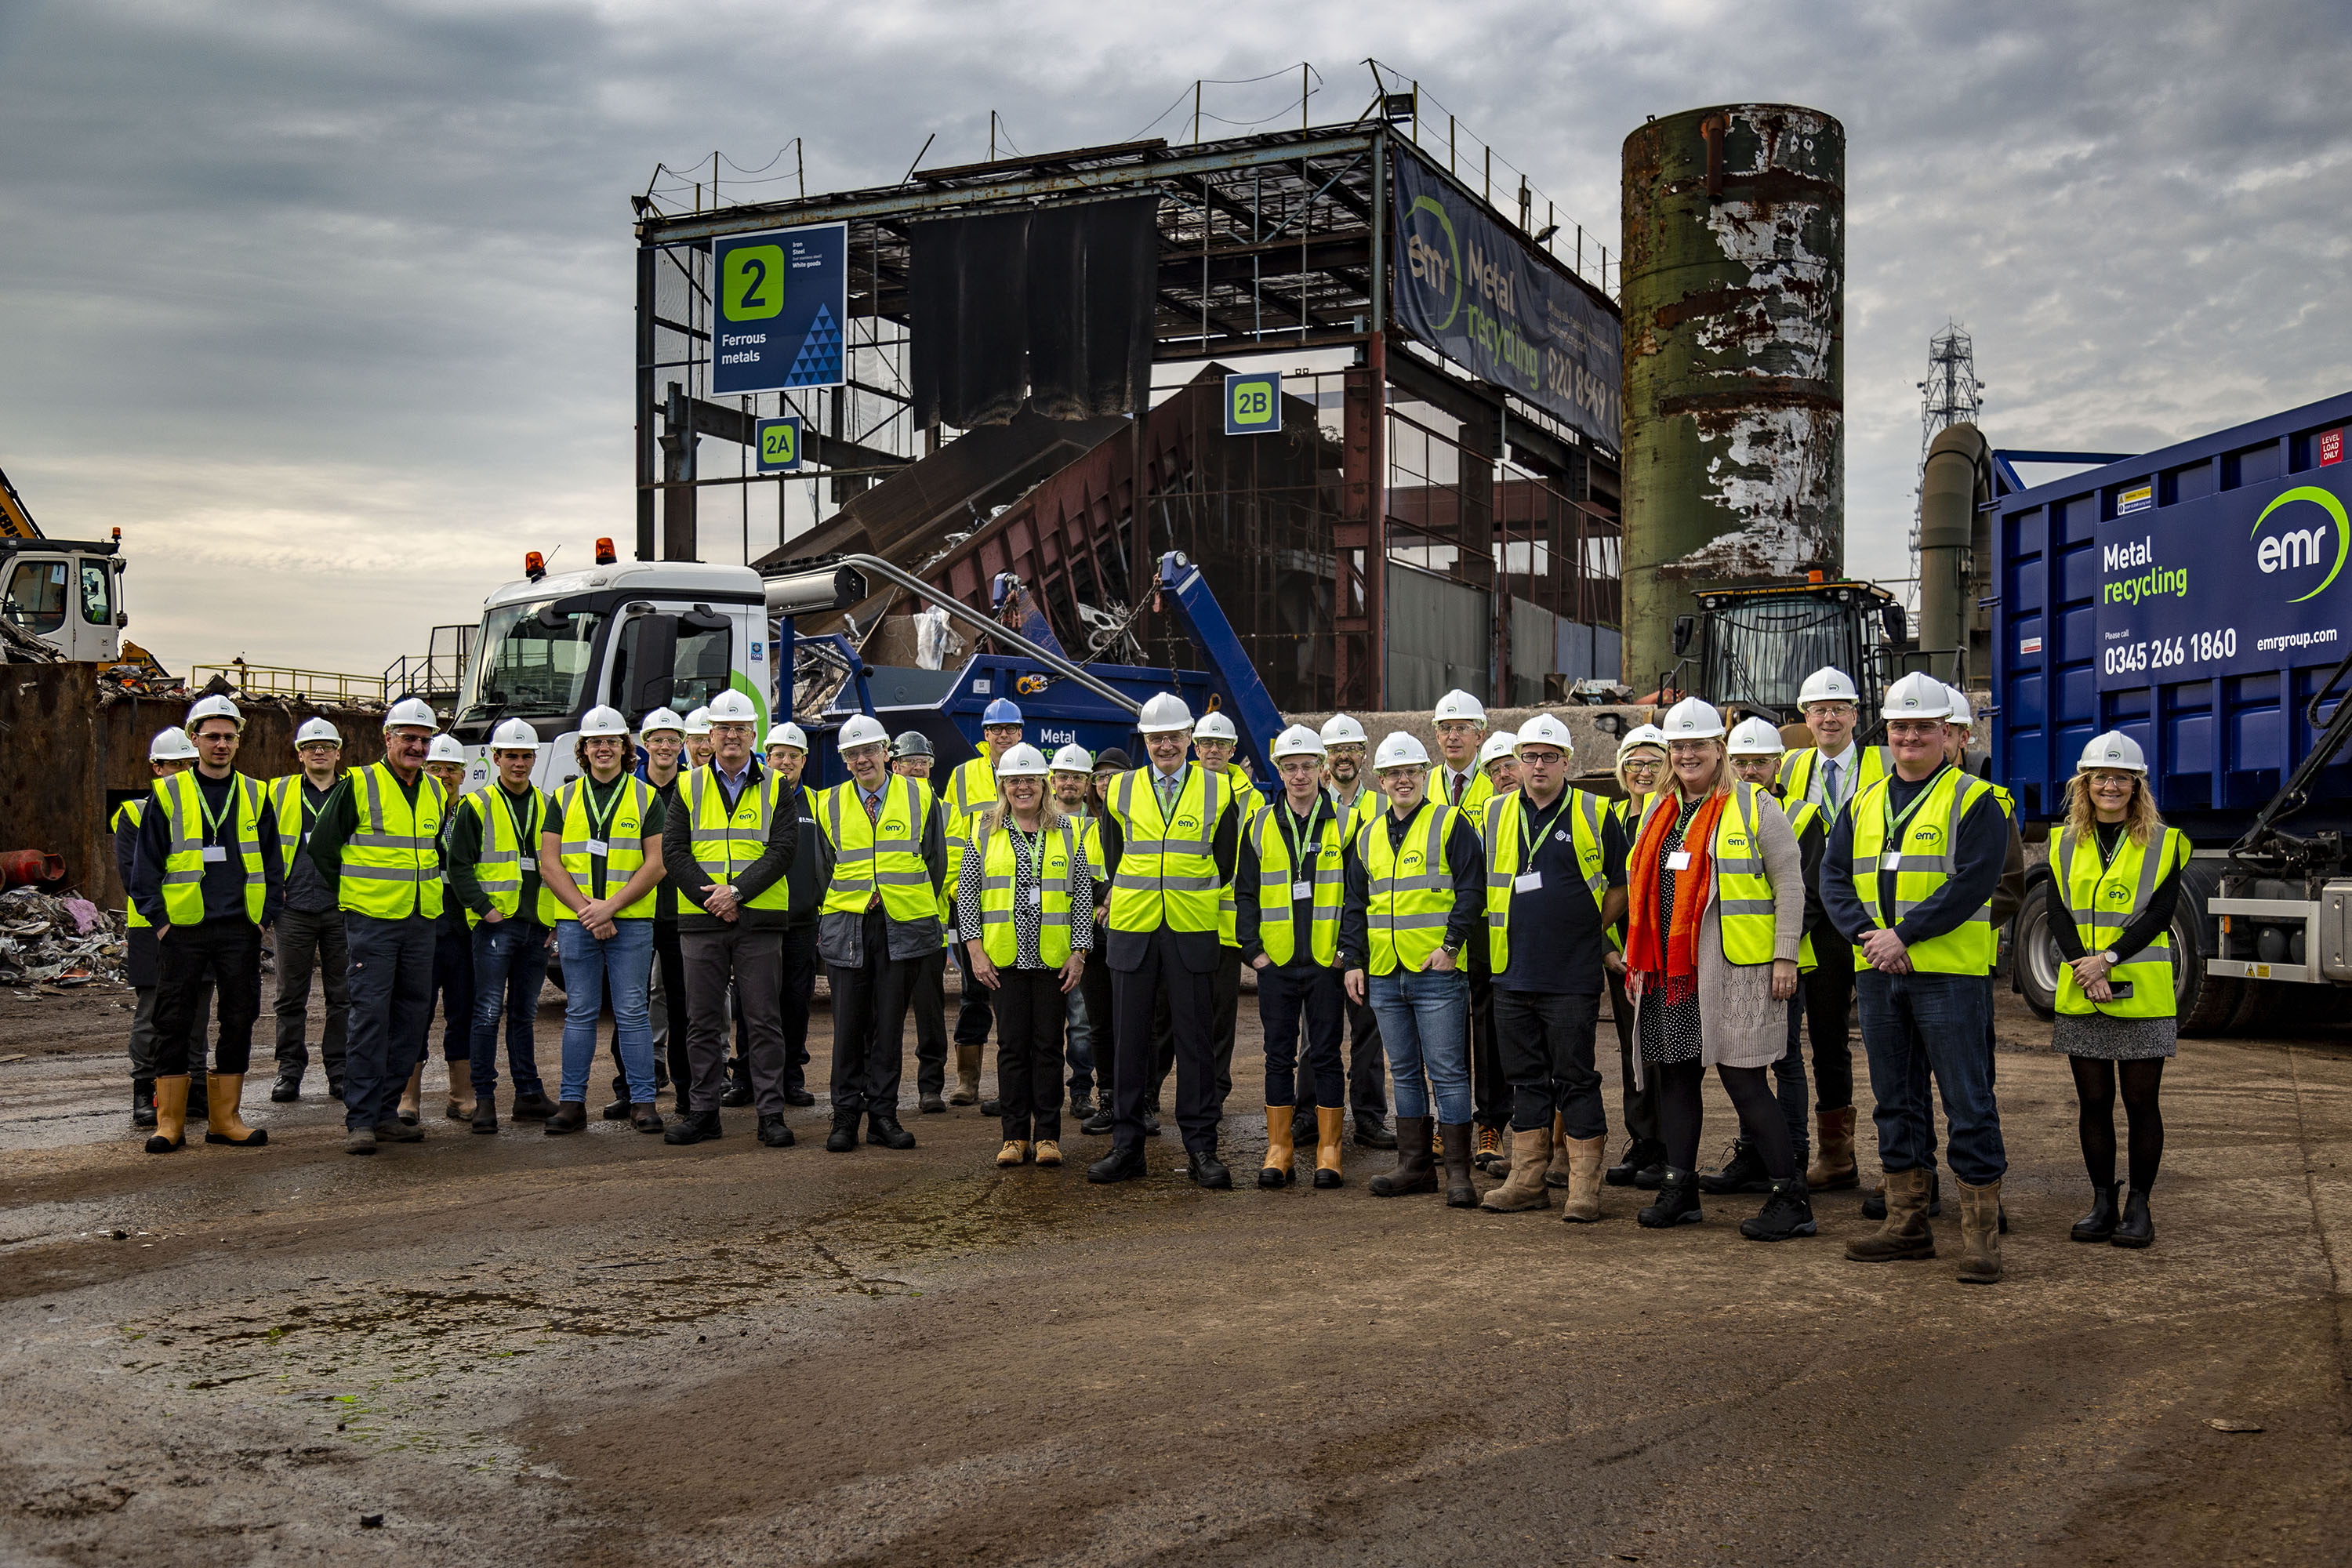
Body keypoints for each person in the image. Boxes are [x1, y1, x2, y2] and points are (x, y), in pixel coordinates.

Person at [1824, 671, 2011, 1283]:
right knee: (1895, 1102)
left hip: (1948, 976)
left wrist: (1904, 935)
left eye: (1922, 727)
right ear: (1888, 732)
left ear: (1947, 734)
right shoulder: (1864, 802)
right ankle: (1907, 1223)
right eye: (1900, 726)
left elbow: (1976, 882)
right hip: (1880, 974)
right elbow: (1834, 879)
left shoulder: (1976, 800)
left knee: (1968, 1101)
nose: (1909, 736)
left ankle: (1981, 1237)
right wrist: (1869, 939)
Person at [1618, 700, 1812, 1240]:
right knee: (1677, 1078)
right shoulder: (1659, 811)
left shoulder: (1753, 807)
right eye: (1677, 747)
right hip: (1670, 975)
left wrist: (1786, 954)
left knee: (1744, 1081)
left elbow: (1790, 884)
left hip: (1736, 972)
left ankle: (1790, 1197)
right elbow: (1645, 894)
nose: (1685, 755)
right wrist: (1638, 961)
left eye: (1696, 745)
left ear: (1718, 750)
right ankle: (1680, 1190)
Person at [1475, 714, 1629, 1219]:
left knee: (1576, 1078)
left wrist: (1589, 930)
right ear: (1517, 762)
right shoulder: (1494, 814)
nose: (1538, 766)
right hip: (1512, 971)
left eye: (1548, 757)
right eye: (1529, 757)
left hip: (1570, 974)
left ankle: (1584, 1188)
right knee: (1525, 1079)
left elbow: (1620, 884)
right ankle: (1528, 1180)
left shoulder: (1595, 812)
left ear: (1567, 761)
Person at [1087, 694, 1243, 1188]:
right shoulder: (1120, 790)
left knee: (1196, 1044)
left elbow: (1226, 859)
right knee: (1129, 1042)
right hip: (1133, 930)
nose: (1165, 745)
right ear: (1145, 740)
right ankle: (1127, 1146)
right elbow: (1115, 859)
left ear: (1189, 739)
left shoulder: (1219, 791)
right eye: (1156, 738)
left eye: (1174, 737)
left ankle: (1201, 1149)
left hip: (1192, 929)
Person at [129, 692, 282, 1156]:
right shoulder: (169, 793)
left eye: (228, 737)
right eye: (212, 736)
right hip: (183, 929)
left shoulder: (256, 793)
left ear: (238, 743)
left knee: (239, 1019)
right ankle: (170, 1122)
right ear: (194, 739)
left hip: (240, 928)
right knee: (172, 1019)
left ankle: (225, 1119)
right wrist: (160, 924)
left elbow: (275, 865)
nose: (220, 744)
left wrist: (262, 921)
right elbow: (145, 868)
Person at [2052, 732, 2187, 1250]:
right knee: (2092, 1103)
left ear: (2138, 785)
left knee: (2141, 1103)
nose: (2111, 786)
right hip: (2084, 993)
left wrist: (2106, 960)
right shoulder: (2066, 841)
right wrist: (2084, 970)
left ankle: (2140, 1207)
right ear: (2085, 785)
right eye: (2101, 778)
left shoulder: (2163, 841)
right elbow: (2059, 914)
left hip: (2142, 993)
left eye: (2122, 778)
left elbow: (2160, 914)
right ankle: (2102, 1202)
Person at [1339, 731, 1485, 1207]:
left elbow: (1471, 892)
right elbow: (1356, 907)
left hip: (1436, 971)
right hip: (1383, 973)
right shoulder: (1366, 836)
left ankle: (1459, 1172)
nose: (1403, 780)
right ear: (1380, 781)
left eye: (1411, 772)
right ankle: (1415, 1165)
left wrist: (1450, 947)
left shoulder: (1450, 824)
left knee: (1447, 1073)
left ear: (1424, 776)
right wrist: (1354, 963)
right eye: (1393, 774)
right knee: (1402, 1072)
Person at [307, 696, 443, 1155]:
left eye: (424, 740)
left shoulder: (436, 791)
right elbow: (323, 849)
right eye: (409, 738)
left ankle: (386, 1113)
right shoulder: (358, 784)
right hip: (373, 922)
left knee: (411, 1018)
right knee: (369, 1018)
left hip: (420, 921)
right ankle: (361, 1119)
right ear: (388, 738)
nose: (417, 747)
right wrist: (354, 895)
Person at [662, 689, 797, 1147]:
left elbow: (783, 851)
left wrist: (737, 892)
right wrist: (713, 898)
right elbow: (674, 851)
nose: (732, 736)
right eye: (723, 728)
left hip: (758, 918)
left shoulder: (778, 785)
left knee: (762, 1021)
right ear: (710, 735)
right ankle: (704, 1113)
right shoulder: (687, 784)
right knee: (701, 1022)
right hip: (702, 919)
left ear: (753, 734)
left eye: (740, 728)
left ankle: (771, 1115)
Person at [815, 713, 948, 1153]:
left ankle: (883, 1117)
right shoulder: (829, 802)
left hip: (902, 923)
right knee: (849, 1026)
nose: (862, 760)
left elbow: (935, 861)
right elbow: (823, 869)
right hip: (848, 923)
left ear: (886, 752)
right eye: (852, 754)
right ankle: (845, 1117)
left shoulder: (921, 796)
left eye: (869, 750)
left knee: (889, 1025)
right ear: (845, 761)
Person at [1700, 717, 1820, 1195]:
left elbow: (1803, 892)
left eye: (1760, 762)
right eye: (1742, 761)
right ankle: (1755, 1154)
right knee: (1742, 1063)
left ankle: (1793, 1153)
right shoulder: (1726, 808)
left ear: (1779, 764)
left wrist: (1782, 954)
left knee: (1785, 1059)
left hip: (1783, 964)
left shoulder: (1801, 816)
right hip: (1735, 961)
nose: (1750, 770)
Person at [1777, 666, 1885, 1193]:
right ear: (1805, 718)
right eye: (1819, 710)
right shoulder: (1791, 768)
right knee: (1826, 1038)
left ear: (1855, 716)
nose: (1829, 718)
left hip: (1876, 922)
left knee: (1893, 1041)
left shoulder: (1883, 765)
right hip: (1818, 925)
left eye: (1839, 709)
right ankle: (1837, 1155)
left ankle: (1903, 1164)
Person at [956, 743, 1091, 1167]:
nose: (1022, 788)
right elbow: (967, 894)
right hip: (1004, 960)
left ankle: (1048, 1137)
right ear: (1003, 786)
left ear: (1043, 784)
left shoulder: (1067, 831)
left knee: (1049, 1047)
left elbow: (1082, 894)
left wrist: (1080, 952)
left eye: (1030, 780)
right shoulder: (984, 830)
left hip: (1053, 960)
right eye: (1014, 780)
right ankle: (1014, 1137)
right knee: (1013, 1048)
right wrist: (975, 952)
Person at [535, 704, 667, 1135]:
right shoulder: (564, 797)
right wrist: (587, 912)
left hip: (629, 922)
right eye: (596, 741)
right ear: (584, 749)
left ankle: (643, 1102)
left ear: (625, 747)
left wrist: (608, 908)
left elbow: (656, 864)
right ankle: (572, 1103)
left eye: (612, 740)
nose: (603, 748)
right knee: (580, 1012)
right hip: (578, 923)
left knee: (632, 1011)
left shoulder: (646, 796)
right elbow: (550, 864)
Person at [1237, 725, 1349, 1189]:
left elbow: (1358, 894)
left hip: (1326, 962)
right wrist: (1254, 951)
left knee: (1325, 1054)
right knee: (1277, 1056)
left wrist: (1347, 953)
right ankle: (1279, 1148)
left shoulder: (1347, 823)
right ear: (1279, 772)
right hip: (1277, 963)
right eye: (1290, 767)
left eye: (1306, 766)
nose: (1299, 775)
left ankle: (1329, 1150)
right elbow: (1244, 893)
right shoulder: (1260, 824)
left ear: (1322, 769)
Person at [447, 718, 556, 1132]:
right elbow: (458, 867)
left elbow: (562, 865)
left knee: (524, 1015)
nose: (519, 763)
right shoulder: (475, 805)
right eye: (511, 755)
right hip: (496, 925)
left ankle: (528, 1095)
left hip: (537, 925)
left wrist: (557, 919)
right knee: (487, 1013)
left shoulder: (549, 803)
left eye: (526, 755)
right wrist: (484, 909)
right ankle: (486, 1100)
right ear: (495, 758)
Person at [118, 728, 212, 1128]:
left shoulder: (208, 809)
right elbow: (133, 874)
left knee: (198, 1013)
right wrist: (163, 922)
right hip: (153, 928)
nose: (183, 772)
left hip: (201, 925)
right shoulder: (136, 811)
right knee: (153, 1012)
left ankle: (193, 1092)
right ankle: (145, 1091)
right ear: (156, 768)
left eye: (189, 764)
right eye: (175, 764)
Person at [1317, 713, 1392, 1152]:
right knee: (1318, 1037)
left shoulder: (1382, 806)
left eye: (1351, 749)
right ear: (1325, 758)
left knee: (1369, 1033)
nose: (1343, 757)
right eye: (1335, 750)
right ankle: (1311, 1116)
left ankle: (1368, 1118)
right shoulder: (1308, 802)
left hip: (1368, 940)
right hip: (1319, 941)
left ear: (1363, 755)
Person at [942, 699, 1022, 1105]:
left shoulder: (1030, 767)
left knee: (1018, 991)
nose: (1003, 735)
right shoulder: (963, 776)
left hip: (1021, 899)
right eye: (996, 729)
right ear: (985, 735)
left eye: (1010, 728)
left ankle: (1014, 1082)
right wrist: (960, 889)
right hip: (972, 896)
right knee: (975, 988)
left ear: (1020, 732)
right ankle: (967, 1080)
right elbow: (953, 835)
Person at [267, 716, 350, 1104]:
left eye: (327, 746)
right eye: (311, 746)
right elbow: (262, 843)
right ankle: (289, 1071)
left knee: (343, 994)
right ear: (299, 753)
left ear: (338, 753)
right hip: (293, 906)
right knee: (289, 997)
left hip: (342, 906)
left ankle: (340, 1070)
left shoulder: (353, 792)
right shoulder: (276, 792)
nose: (319, 751)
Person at [1603, 723, 1669, 1188]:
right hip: (1623, 958)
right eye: (1635, 763)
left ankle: (1670, 1147)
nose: (1643, 772)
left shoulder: (1680, 815)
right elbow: (1592, 890)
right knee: (1632, 1051)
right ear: (1622, 769)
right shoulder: (1608, 820)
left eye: (1653, 763)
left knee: (1668, 1053)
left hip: (1669, 957)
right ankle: (1643, 1141)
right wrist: (1608, 949)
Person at [397, 734, 475, 1125]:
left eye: (451, 769)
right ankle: (408, 1096)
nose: (444, 775)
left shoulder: (472, 812)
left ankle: (462, 1094)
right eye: (436, 768)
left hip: (463, 930)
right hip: (421, 927)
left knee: (463, 1012)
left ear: (463, 774)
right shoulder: (414, 812)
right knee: (416, 1012)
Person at [1185, 707, 1261, 1109]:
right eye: (1206, 743)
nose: (1213, 750)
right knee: (1174, 1015)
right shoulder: (1180, 789)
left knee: (1219, 1018)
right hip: (1183, 921)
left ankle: (1214, 1093)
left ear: (1233, 750)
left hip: (1228, 930)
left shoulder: (1253, 798)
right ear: (1195, 748)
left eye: (1221, 744)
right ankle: (1161, 1092)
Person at [891, 730, 953, 1114]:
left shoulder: (945, 809)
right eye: (910, 762)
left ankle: (931, 1087)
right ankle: (882, 1086)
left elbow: (949, 863)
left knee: (930, 1010)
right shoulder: (881, 808)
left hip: (930, 920)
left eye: (924, 762)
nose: (917, 768)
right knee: (887, 1012)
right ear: (894, 766)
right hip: (889, 922)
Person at [635, 708, 693, 1115]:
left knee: (683, 1007)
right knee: (631, 1007)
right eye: (658, 739)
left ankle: (689, 1095)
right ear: (644, 744)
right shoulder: (629, 791)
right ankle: (632, 1089)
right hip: (636, 913)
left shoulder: (694, 790)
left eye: (673, 740)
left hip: (680, 913)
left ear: (683, 744)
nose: (665, 747)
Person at [763, 721, 822, 1110]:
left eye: (793, 756)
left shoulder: (820, 804)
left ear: (804, 760)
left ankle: (792, 1077)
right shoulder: (754, 799)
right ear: (766, 759)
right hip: (761, 919)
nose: (785, 762)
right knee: (758, 1003)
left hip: (803, 920)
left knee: (797, 1002)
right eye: (778, 756)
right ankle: (751, 1075)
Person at [1078, 750, 1134, 1137]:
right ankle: (1108, 1099)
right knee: (1099, 1025)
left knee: (1134, 1023)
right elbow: (1074, 877)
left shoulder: (1140, 823)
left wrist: (1118, 894)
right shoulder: (1080, 829)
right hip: (1094, 937)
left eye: (1115, 775)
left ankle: (1139, 1101)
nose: (1106, 782)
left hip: (1133, 933)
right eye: (1100, 777)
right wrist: (1105, 894)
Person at [1048, 743, 1103, 1122]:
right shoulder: (1036, 820)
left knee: (1082, 1023)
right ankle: (1040, 1091)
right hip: (1041, 937)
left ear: (1088, 784)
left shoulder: (1101, 824)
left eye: (1077, 778)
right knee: (1043, 1023)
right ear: (1052, 781)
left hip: (1087, 937)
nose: (1069, 783)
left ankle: (1081, 1091)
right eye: (1064, 776)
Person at [1479, 730, 1521, 797]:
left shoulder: (1542, 803)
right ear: (1492, 781)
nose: (1503, 774)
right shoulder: (1491, 806)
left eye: (1509, 766)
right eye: (1495, 770)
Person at [682, 706, 715, 771]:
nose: (705, 747)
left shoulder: (731, 777)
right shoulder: (677, 776)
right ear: (687, 742)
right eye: (698, 739)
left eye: (711, 739)